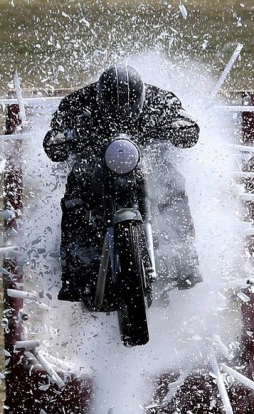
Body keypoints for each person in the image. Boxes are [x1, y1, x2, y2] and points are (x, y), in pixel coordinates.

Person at [43, 63, 203, 302]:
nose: (121, 111)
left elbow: (184, 121)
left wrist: (181, 128)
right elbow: (56, 134)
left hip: (146, 161)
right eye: (114, 105)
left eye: (128, 105)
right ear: (100, 97)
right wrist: (59, 140)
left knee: (173, 186)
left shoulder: (160, 99)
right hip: (95, 164)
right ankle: (74, 273)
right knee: (74, 197)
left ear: (140, 97)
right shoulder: (77, 103)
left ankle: (185, 258)